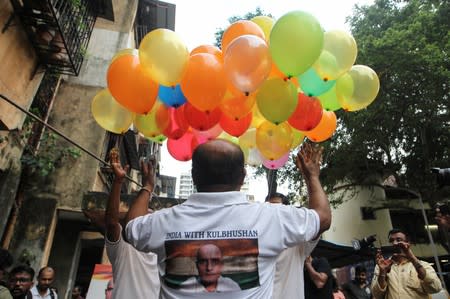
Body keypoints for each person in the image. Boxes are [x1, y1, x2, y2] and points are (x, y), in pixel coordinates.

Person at [125, 140, 331, 298]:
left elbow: (131, 226)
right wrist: (312, 177)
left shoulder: (163, 222)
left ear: (194, 176)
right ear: (242, 177)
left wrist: (148, 187)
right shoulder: (271, 218)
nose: (208, 267)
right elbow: (322, 218)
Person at [104, 150, 160, 299]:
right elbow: (111, 223)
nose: (148, 218)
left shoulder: (160, 251)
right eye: (145, 215)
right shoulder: (124, 247)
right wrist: (118, 181)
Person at [266, 193, 320, 299]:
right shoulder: (257, 240)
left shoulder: (299, 243)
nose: (272, 211)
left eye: (276, 207)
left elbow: (319, 220)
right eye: (268, 207)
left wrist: (312, 178)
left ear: (287, 212)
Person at [371, 228, 442, 299]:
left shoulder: (423, 265)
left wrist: (412, 258)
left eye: (399, 240)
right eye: (391, 241)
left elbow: (436, 288)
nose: (394, 243)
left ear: (408, 243)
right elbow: (376, 295)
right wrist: (383, 273)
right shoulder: (382, 266)